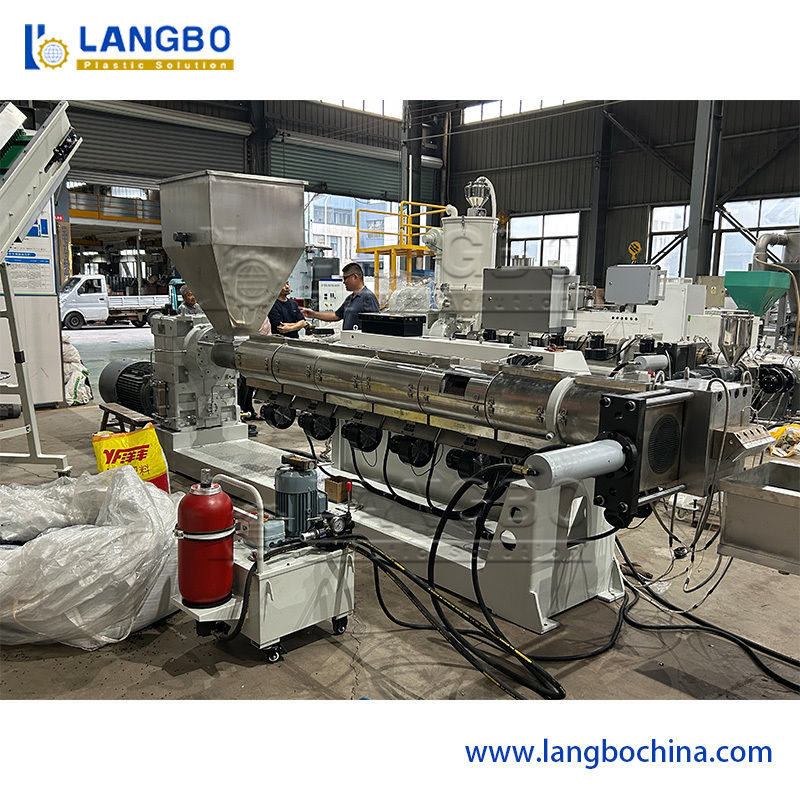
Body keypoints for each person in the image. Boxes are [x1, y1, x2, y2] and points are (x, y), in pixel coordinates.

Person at [301, 262, 379, 331]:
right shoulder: (350, 299)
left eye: (345, 278)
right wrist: (313, 314)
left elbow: (375, 324)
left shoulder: (368, 297)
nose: (344, 282)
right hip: (348, 339)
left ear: (354, 277)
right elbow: (336, 315)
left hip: (360, 341)